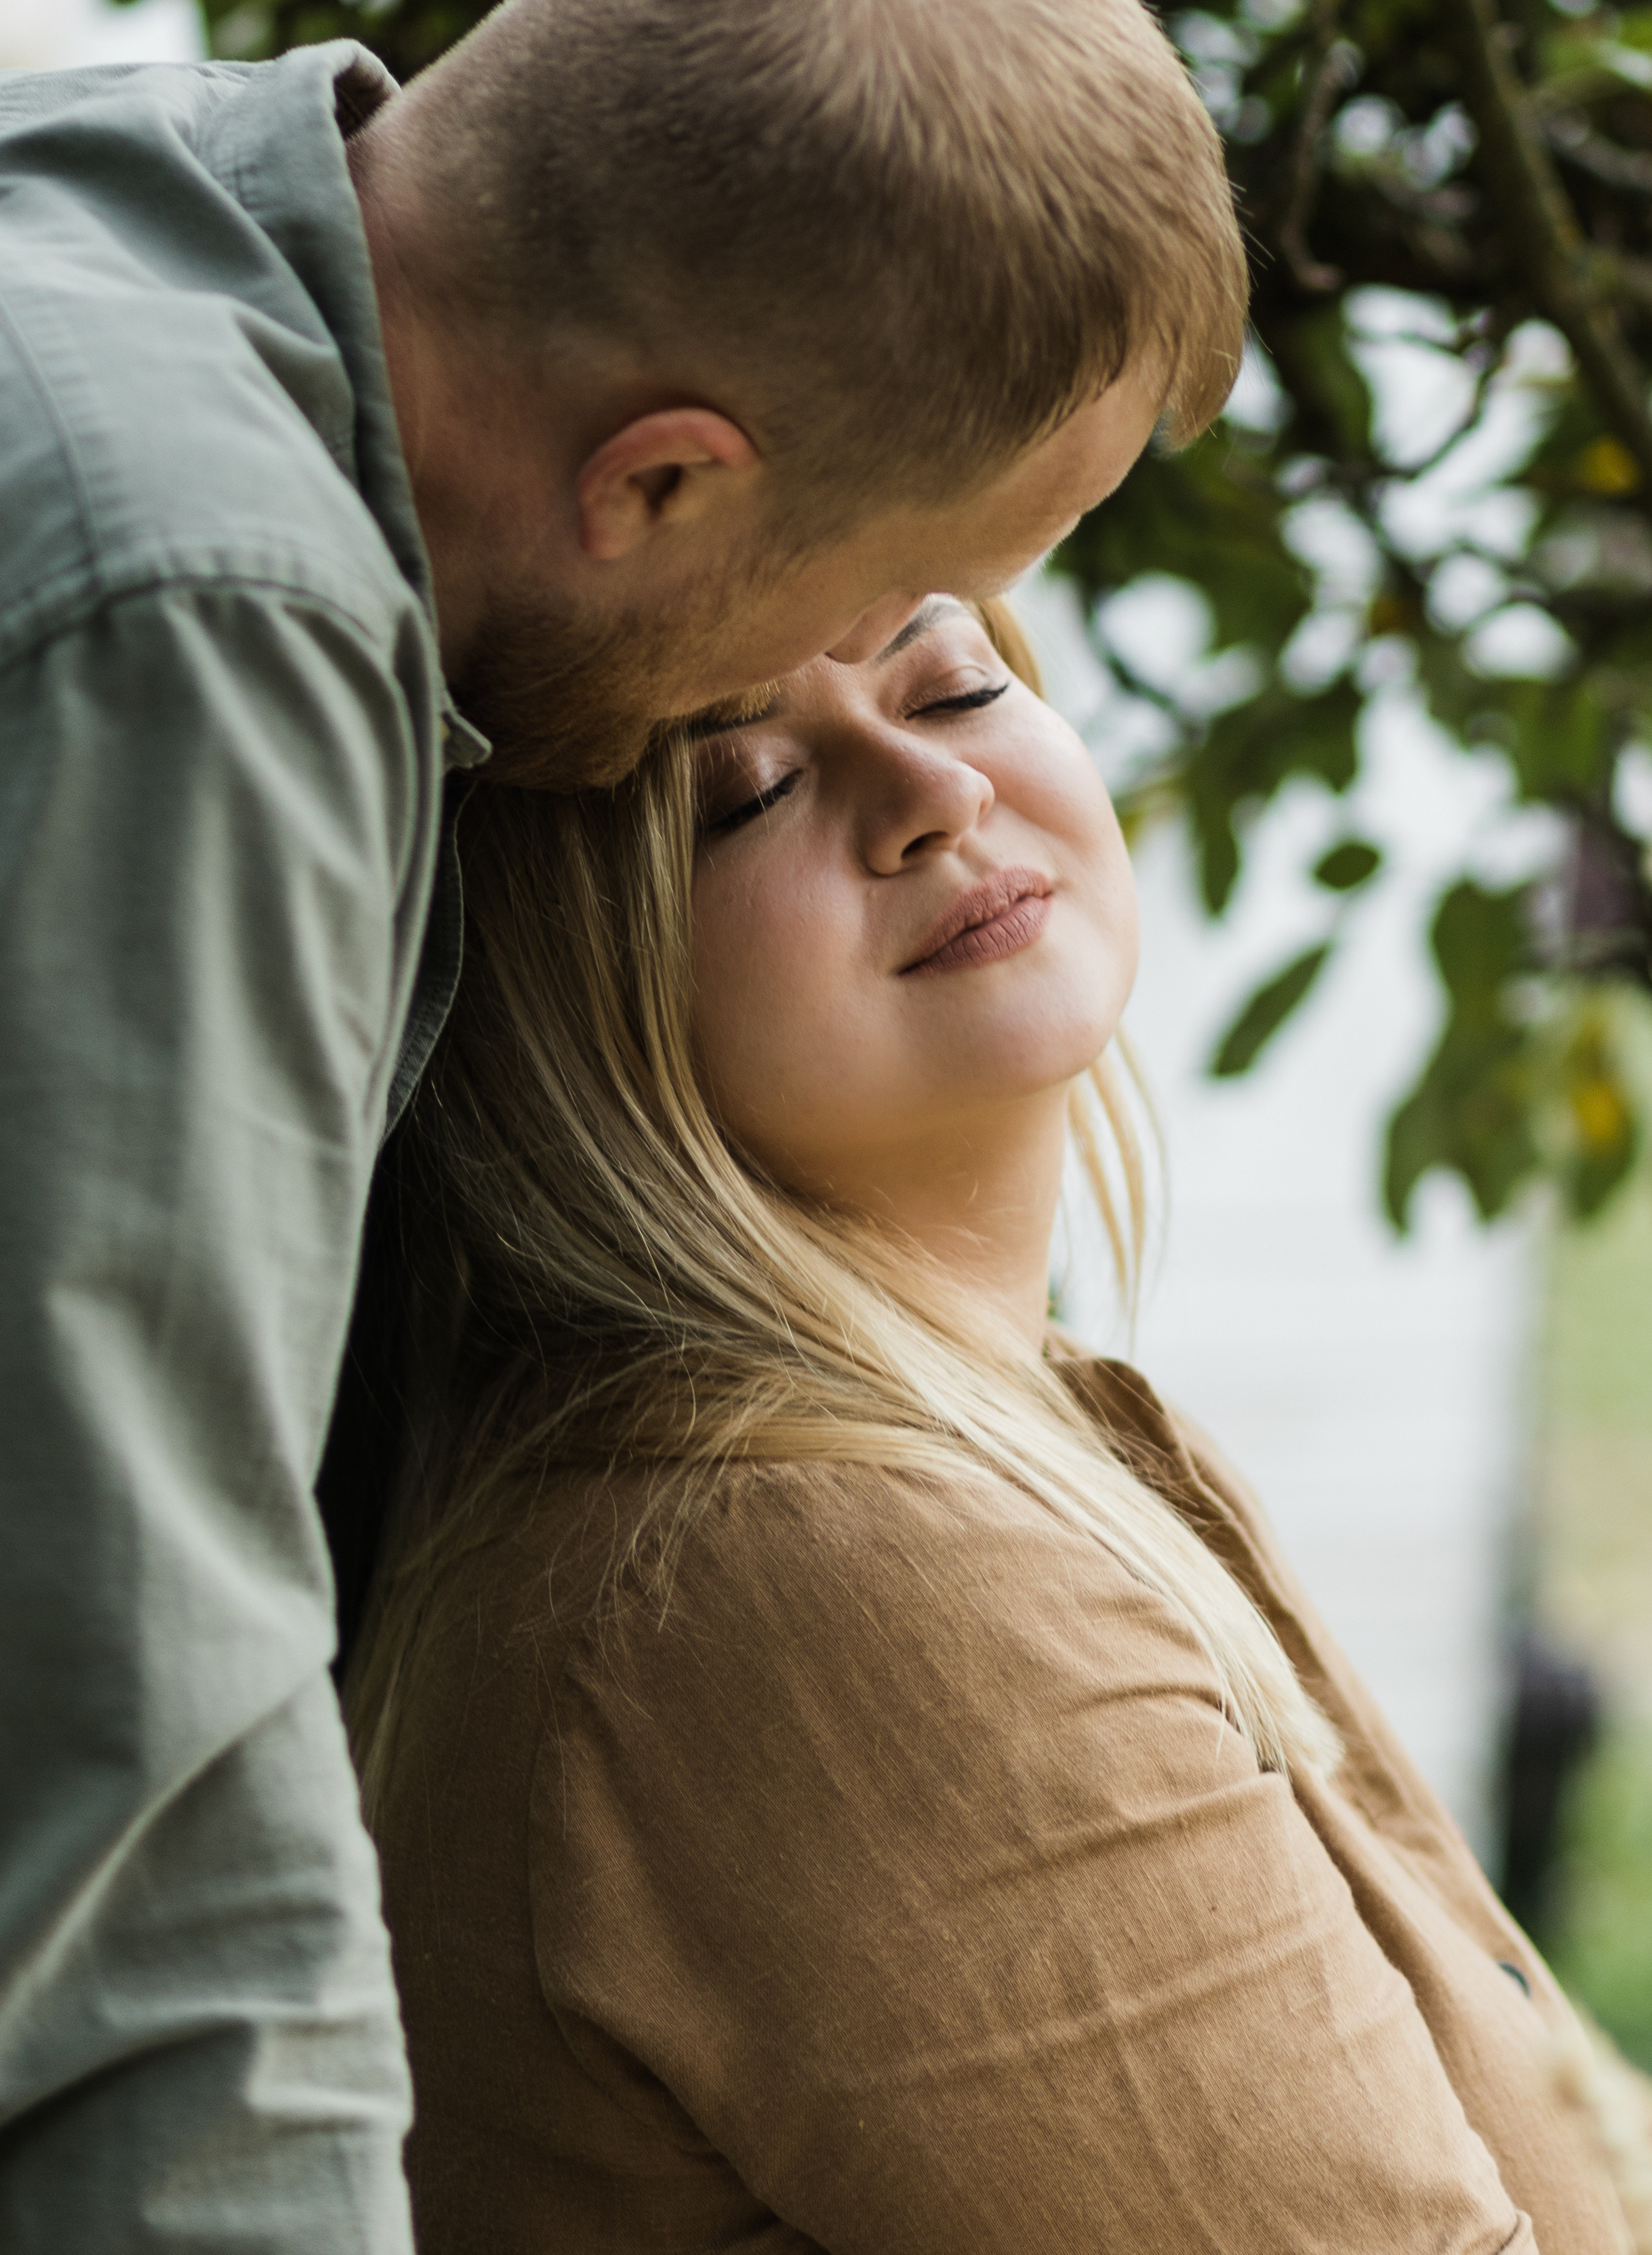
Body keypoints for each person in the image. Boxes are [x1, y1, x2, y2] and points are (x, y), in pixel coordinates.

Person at [0, 0, 1241, 2252]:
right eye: (879, 599)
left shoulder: (77, 199)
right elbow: (125, 1823)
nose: (879, 717)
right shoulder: (183, 612)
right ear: (661, 480)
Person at [350, 595, 1634, 2254]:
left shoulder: (1012, 1436)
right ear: (566, 996)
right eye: (747, 792)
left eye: (951, 686)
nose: (931, 792)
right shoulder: (795, 1572)